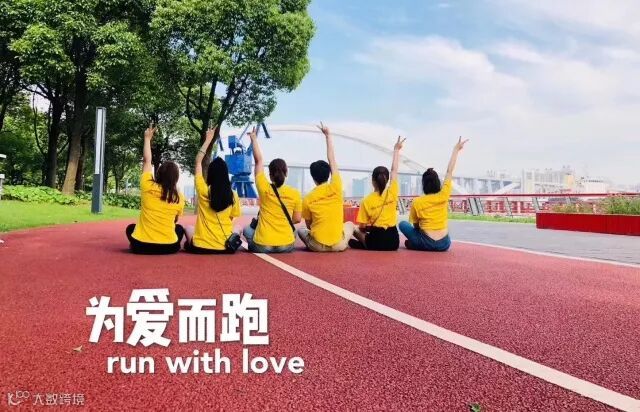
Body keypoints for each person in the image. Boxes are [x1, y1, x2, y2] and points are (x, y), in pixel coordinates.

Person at [399, 137, 469, 252]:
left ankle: (417, 244)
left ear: (423, 184)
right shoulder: (444, 195)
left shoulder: (417, 202)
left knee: (402, 224)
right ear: (437, 182)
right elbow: (449, 171)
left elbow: (416, 226)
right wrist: (456, 150)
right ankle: (416, 244)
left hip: (426, 241)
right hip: (444, 244)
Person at [126, 123, 185, 254]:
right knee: (179, 229)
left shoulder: (147, 185)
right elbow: (175, 220)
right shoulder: (179, 197)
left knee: (130, 228)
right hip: (168, 247)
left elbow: (147, 161)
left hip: (141, 246)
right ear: (175, 178)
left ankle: (138, 243)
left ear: (158, 174)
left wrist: (147, 139)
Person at [242, 127, 302, 253]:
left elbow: (258, 161)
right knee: (294, 232)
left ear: (269, 175)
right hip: (286, 245)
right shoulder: (295, 193)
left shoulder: (263, 187)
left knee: (247, 230)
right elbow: (297, 219)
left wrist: (253, 139)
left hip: (263, 245)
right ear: (286, 173)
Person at [297, 123, 355, 252]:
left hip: (317, 246)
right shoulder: (336, 186)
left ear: (313, 177)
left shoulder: (307, 199)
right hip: (339, 245)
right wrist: (328, 136)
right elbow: (332, 160)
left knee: (301, 230)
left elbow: (309, 226)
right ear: (329, 174)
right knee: (350, 224)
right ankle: (348, 241)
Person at [184, 127, 241, 254]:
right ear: (226, 174)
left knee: (188, 228)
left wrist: (208, 139)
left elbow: (198, 162)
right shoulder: (233, 195)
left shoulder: (203, 190)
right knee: (238, 227)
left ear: (210, 174)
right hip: (225, 247)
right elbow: (231, 218)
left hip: (201, 246)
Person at [349, 136, 406, 251]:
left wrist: (368, 228)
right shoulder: (393, 191)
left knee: (353, 228)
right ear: (387, 180)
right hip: (393, 242)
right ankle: (364, 245)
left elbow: (362, 227)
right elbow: (394, 170)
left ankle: (365, 244)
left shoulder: (366, 200)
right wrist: (396, 150)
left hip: (375, 240)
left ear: (372, 181)